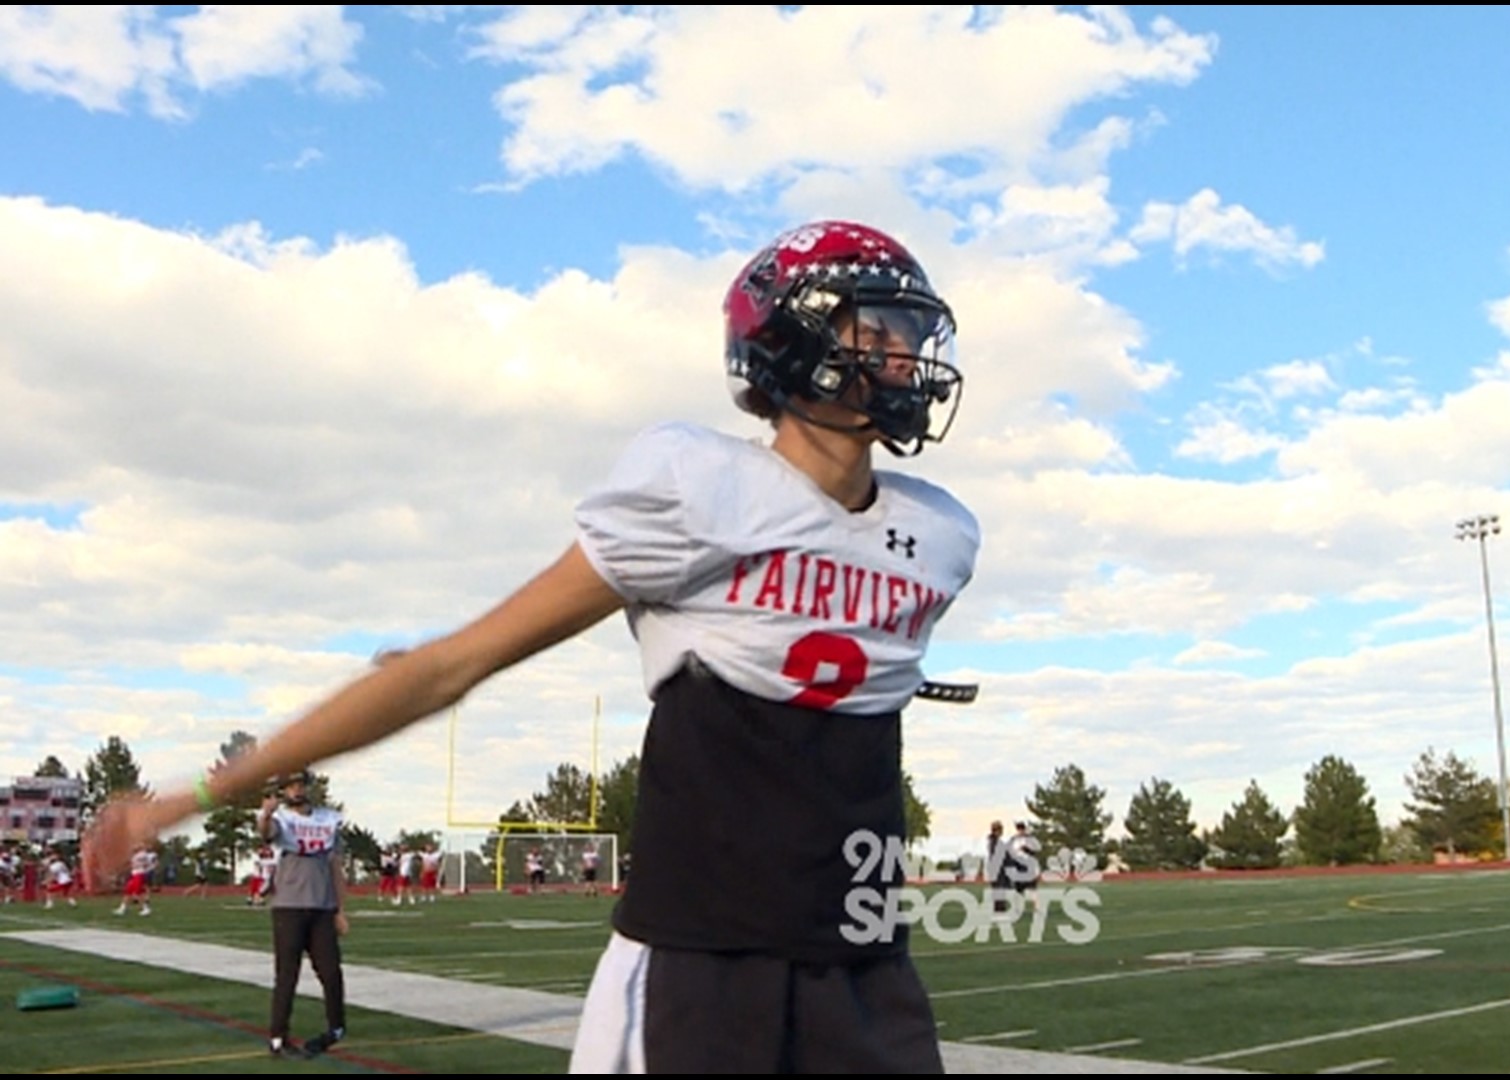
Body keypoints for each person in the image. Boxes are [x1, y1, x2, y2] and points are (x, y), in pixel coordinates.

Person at [82, 219, 978, 1073]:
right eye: (881, 327)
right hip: (701, 965)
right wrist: (191, 798)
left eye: (910, 329)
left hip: (866, 961)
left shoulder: (938, 536)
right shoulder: (701, 490)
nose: (905, 354)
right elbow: (447, 665)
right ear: (796, 342)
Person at [259, 770, 350, 1058]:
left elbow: (335, 865)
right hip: (290, 906)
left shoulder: (328, 819)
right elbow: (267, 834)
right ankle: (277, 1036)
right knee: (287, 975)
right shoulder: (281, 820)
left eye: (300, 785)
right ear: (284, 792)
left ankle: (336, 1027)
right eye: (290, 786)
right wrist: (264, 815)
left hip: (322, 907)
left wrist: (341, 909)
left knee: (331, 972)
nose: (296, 790)